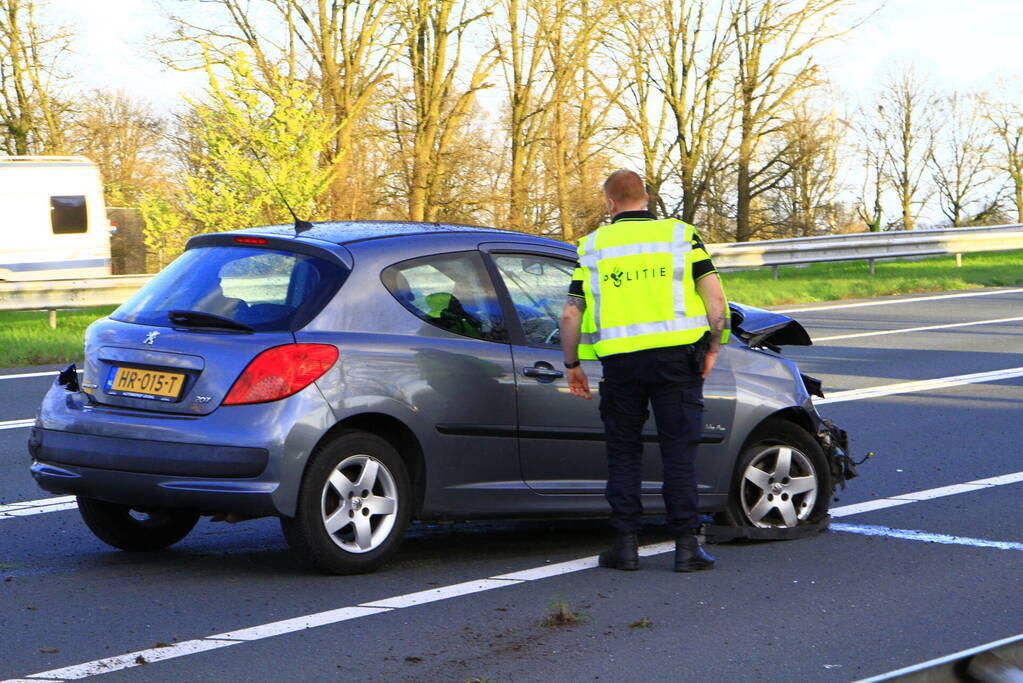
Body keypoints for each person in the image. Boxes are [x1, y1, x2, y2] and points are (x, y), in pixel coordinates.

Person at [559, 169, 728, 572]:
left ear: (610, 204)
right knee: (679, 453)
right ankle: (687, 548)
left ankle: (626, 546)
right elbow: (715, 300)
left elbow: (570, 313)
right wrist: (713, 347)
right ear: (647, 198)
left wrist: (572, 365)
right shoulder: (680, 236)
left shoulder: (593, 246)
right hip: (677, 361)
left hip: (621, 365)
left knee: (623, 452)